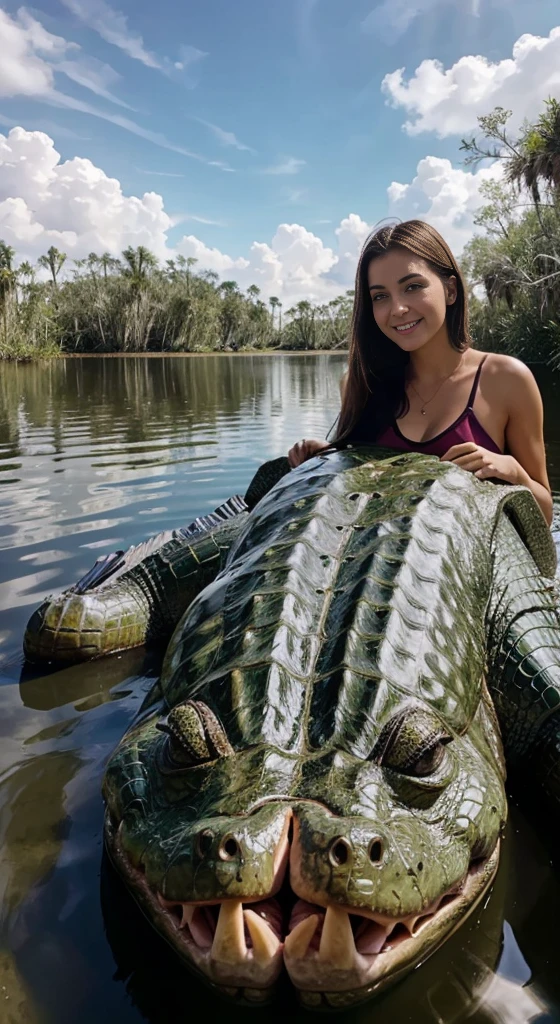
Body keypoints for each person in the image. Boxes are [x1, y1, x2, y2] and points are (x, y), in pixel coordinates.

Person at [288, 219, 553, 525]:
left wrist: (512, 471)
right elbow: (359, 501)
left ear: (450, 289)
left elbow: (544, 515)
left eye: (412, 287)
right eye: (380, 296)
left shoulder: (506, 379)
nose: (397, 308)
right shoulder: (359, 384)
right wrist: (331, 458)